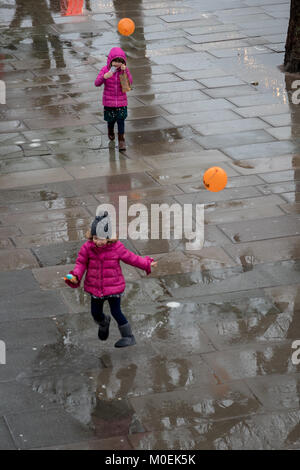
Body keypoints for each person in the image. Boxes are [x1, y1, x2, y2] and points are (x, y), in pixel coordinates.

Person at [65, 211, 157, 348]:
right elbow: (81, 263)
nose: (98, 241)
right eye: (95, 238)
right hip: (95, 287)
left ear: (108, 237)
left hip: (113, 286)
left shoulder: (117, 248)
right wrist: (76, 276)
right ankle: (103, 322)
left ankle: (128, 336)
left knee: (116, 311)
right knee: (95, 313)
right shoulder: (87, 248)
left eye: (101, 238)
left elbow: (131, 258)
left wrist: (146, 264)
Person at [95, 47, 133, 151]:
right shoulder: (105, 70)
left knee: (121, 121)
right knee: (110, 120)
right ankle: (110, 130)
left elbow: (130, 83)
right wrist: (104, 77)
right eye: (115, 61)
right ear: (110, 61)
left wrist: (126, 72)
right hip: (109, 102)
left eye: (120, 62)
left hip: (121, 102)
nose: (117, 64)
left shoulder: (124, 71)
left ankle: (121, 140)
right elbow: (97, 83)